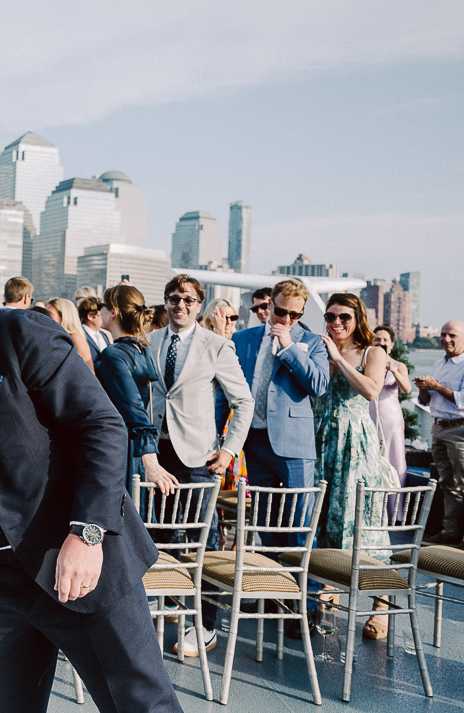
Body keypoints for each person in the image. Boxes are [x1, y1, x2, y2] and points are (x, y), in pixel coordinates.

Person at [0, 225, 181, 713]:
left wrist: (87, 535)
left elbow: (102, 425)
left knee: (140, 704)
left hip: (75, 561)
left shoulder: (18, 329)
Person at [147, 276, 253, 655]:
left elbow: (244, 402)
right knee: (159, 537)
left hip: (198, 458)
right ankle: (165, 606)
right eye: (174, 298)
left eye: (188, 300)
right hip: (155, 455)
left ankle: (205, 625)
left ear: (198, 305)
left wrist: (229, 451)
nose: (180, 305)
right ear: (165, 301)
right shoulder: (150, 341)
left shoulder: (217, 345)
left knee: (202, 543)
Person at [227, 278, 329, 639]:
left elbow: (318, 385)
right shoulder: (243, 339)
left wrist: (288, 347)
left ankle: (305, 607)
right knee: (267, 526)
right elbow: (229, 389)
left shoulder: (312, 343)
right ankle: (272, 596)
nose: (286, 319)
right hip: (254, 442)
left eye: (294, 315)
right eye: (281, 311)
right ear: (269, 305)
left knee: (300, 528)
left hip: (295, 447)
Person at [314, 293, 397, 638]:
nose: (336, 322)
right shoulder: (320, 347)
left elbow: (371, 390)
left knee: (363, 519)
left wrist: (338, 359)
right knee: (326, 516)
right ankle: (329, 585)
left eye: (344, 316)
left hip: (355, 443)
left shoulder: (372, 352)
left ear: (357, 318)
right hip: (322, 438)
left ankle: (382, 602)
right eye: (330, 316)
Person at [416, 320, 464, 552]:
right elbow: (426, 401)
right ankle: (450, 533)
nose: (446, 339)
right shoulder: (440, 363)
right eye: (443, 334)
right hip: (439, 428)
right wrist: (424, 388)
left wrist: (437, 386)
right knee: (448, 484)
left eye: (452, 335)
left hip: (463, 430)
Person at [92, 285, 158, 487]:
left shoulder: (114, 353)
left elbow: (132, 405)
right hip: (133, 447)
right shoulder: (142, 349)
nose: (98, 310)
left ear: (113, 312)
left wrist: (150, 459)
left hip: (119, 448)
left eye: (101, 305)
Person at [369, 326, 412, 496]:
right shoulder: (366, 362)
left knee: (394, 459)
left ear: (391, 344)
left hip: (391, 419)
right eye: (377, 339)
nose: (381, 342)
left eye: (385, 340)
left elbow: (406, 389)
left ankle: (394, 505)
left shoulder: (399, 365)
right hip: (369, 416)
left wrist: (392, 369)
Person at [46, 297, 94, 369]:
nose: (45, 316)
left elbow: (89, 370)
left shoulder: (75, 338)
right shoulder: (51, 337)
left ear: (63, 316)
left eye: (50, 314)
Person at [79, 295, 112, 364]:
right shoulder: (80, 336)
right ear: (90, 316)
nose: (103, 317)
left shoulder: (104, 335)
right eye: (100, 315)